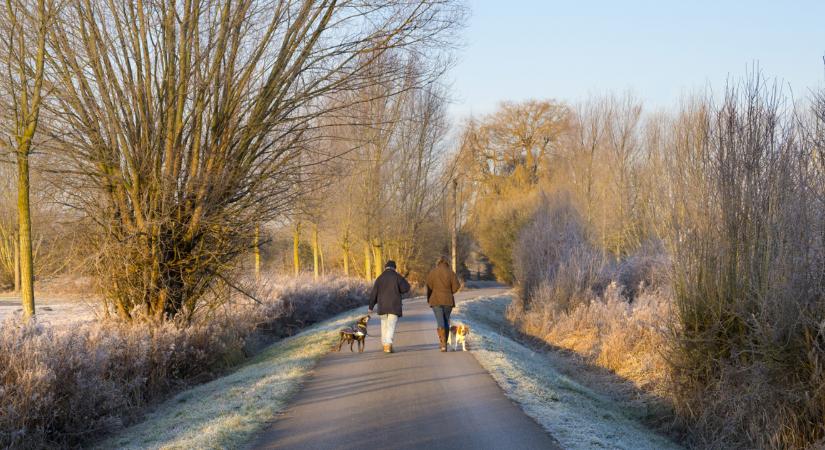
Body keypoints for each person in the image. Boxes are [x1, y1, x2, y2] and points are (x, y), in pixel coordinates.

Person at [368, 260, 410, 353]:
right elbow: (406, 288)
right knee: (391, 325)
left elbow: (374, 293)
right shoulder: (397, 277)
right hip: (394, 306)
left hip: (382, 306)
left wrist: (370, 306)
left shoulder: (380, 278)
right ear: (394, 268)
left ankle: (385, 344)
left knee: (384, 325)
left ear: (385, 267)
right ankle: (388, 344)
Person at [426, 256, 461, 352]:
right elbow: (457, 286)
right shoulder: (451, 273)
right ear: (447, 263)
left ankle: (443, 344)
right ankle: (444, 343)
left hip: (436, 300)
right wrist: (450, 292)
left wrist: (429, 298)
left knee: (440, 321)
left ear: (438, 263)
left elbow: (429, 286)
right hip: (448, 300)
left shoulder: (433, 272)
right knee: (446, 321)